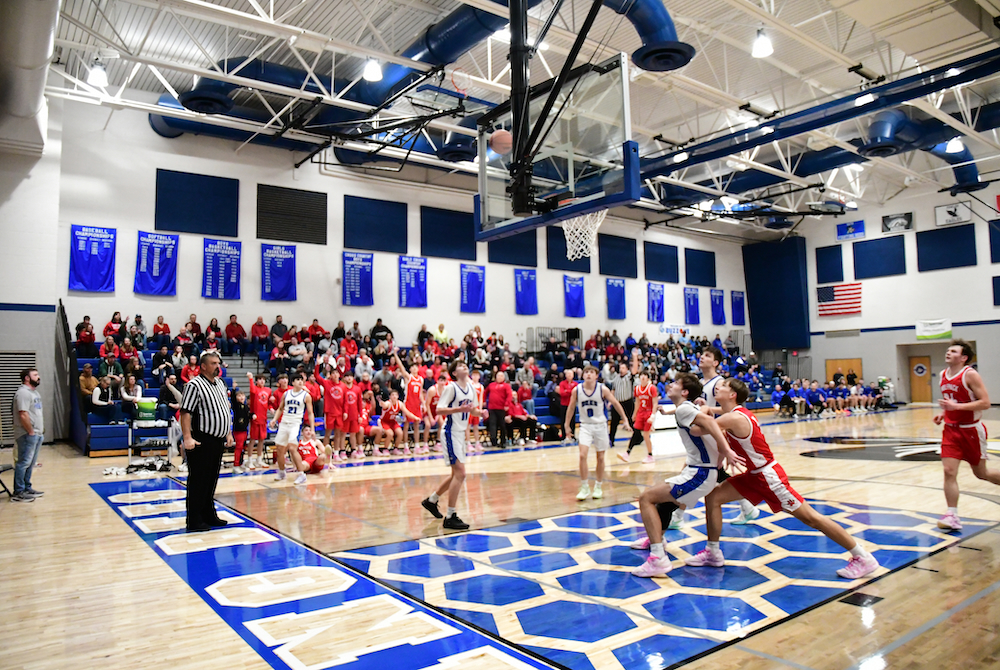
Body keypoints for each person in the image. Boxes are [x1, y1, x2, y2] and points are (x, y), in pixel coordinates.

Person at [685, 378, 880, 579]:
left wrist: (687, 410)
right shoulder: (735, 413)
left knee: (812, 519)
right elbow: (715, 418)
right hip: (754, 475)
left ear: (733, 395)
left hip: (768, 477)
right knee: (713, 497)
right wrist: (707, 409)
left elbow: (697, 429)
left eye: (723, 386)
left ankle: (862, 556)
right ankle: (713, 552)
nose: (718, 387)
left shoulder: (733, 418)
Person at [630, 373, 745, 577]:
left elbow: (710, 424)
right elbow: (705, 420)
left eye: (675, 383)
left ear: (684, 391)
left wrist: (726, 450)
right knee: (662, 504)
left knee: (647, 498)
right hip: (700, 471)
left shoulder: (685, 409)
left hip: (699, 473)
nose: (670, 384)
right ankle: (658, 540)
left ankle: (658, 558)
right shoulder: (687, 408)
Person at [934, 340, 1000, 530]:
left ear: (963, 358)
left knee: (981, 473)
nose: (948, 353)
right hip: (951, 429)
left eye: (953, 351)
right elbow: (952, 401)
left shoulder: (970, 375)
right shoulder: (942, 375)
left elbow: (985, 403)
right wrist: (945, 413)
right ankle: (952, 515)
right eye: (947, 350)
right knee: (949, 471)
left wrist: (957, 407)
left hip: (971, 430)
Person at [178, 352, 234, 531]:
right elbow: (186, 412)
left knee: (211, 480)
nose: (218, 366)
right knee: (198, 481)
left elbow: (224, 409)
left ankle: (209, 514)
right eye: (213, 363)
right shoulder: (194, 385)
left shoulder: (220, 383)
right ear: (203, 366)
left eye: (218, 363)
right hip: (201, 439)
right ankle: (193, 520)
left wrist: (228, 432)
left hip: (218, 440)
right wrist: (187, 437)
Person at [421, 360, 480, 530]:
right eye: (460, 366)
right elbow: (439, 410)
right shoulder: (451, 388)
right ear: (454, 373)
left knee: (456, 474)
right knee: (461, 473)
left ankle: (431, 500)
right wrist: (458, 410)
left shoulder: (471, 388)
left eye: (465, 364)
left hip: (460, 434)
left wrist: (480, 413)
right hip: (450, 432)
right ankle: (450, 515)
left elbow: (473, 410)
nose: (464, 366)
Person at [564, 365, 631, 501]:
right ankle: (584, 487)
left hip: (600, 426)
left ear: (596, 376)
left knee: (600, 458)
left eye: (591, 372)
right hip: (585, 426)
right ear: (583, 376)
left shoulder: (602, 389)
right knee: (582, 455)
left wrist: (625, 419)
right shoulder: (577, 390)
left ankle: (598, 486)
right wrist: (566, 425)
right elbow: (571, 408)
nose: (588, 374)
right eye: (586, 372)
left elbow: (616, 403)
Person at [270, 373, 314, 483]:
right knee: (280, 449)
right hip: (284, 423)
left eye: (301, 380)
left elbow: (310, 413)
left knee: (292, 448)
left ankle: (301, 474)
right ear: (292, 382)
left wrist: (312, 428)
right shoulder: (286, 394)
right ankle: (281, 472)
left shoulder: (306, 396)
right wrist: (274, 419)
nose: (300, 382)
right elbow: (280, 408)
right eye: (297, 380)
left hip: (295, 424)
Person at [11, 368, 44, 502]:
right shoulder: (23, 393)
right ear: (27, 378)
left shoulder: (34, 393)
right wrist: (30, 431)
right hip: (27, 434)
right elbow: (23, 414)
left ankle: (26, 487)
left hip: (36, 433)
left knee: (30, 464)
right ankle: (18, 491)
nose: (38, 377)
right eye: (35, 375)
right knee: (23, 462)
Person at [394, 349, 428, 454]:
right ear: (410, 369)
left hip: (417, 405)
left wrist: (424, 404)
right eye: (412, 367)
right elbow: (401, 367)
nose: (414, 368)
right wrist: (395, 354)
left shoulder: (421, 379)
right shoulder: (409, 377)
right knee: (407, 425)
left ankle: (417, 446)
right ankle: (405, 446)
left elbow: (421, 394)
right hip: (408, 404)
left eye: (415, 367)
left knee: (417, 425)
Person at [619, 369, 657, 464]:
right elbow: (637, 402)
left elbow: (655, 403)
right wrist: (635, 414)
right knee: (635, 433)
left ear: (648, 378)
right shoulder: (637, 389)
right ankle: (627, 453)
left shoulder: (651, 388)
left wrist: (653, 415)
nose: (643, 377)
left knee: (646, 435)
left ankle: (650, 455)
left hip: (648, 413)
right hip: (641, 413)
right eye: (641, 375)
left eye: (645, 375)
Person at [603, 357, 637, 443]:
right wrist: (610, 401)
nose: (621, 369)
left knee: (632, 421)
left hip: (628, 402)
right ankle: (611, 440)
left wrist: (635, 357)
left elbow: (634, 370)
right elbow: (613, 390)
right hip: (617, 403)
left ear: (627, 369)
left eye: (623, 368)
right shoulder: (616, 378)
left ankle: (638, 437)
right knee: (614, 422)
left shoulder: (629, 376)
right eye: (620, 368)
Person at [486, 371, 513, 449]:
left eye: (501, 376)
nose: (500, 377)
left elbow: (509, 395)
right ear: (496, 377)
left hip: (501, 408)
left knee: (502, 425)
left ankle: (503, 441)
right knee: (492, 424)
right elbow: (485, 392)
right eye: (498, 376)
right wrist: (484, 400)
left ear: (504, 377)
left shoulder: (506, 386)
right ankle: (493, 441)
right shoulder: (491, 385)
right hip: (492, 408)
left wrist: (507, 404)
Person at [231, 390, 250, 473]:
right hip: (238, 430)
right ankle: (236, 465)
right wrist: (234, 390)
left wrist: (252, 415)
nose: (241, 397)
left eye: (242, 395)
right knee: (238, 447)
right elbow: (232, 400)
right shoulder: (236, 406)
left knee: (243, 447)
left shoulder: (245, 406)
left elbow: (248, 415)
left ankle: (241, 463)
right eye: (239, 396)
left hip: (245, 430)